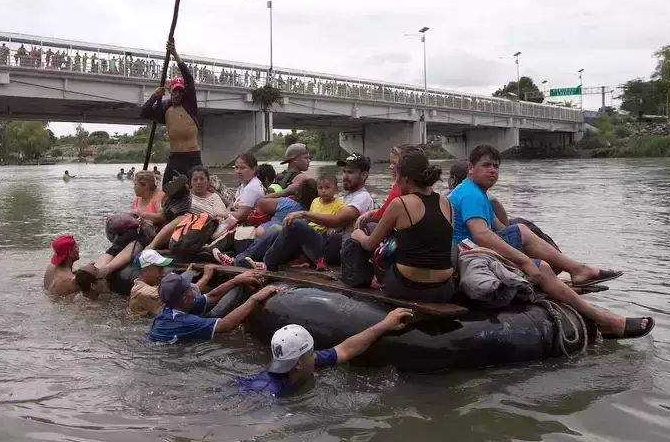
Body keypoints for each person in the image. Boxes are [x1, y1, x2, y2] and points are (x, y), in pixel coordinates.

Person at [451, 145, 654, 339]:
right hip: (471, 257)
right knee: (535, 254)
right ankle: (601, 315)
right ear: (470, 168)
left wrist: (525, 257)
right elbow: (482, 235)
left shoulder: (476, 192)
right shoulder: (470, 195)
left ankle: (575, 276)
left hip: (477, 251)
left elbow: (500, 228)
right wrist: (526, 263)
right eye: (486, 165)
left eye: (496, 166)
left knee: (524, 237)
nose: (493, 170)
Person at [350, 148, 455, 302]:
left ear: (406, 179)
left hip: (407, 287)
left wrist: (358, 235)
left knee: (362, 236)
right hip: (444, 288)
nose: (395, 180)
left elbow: (370, 244)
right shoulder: (446, 203)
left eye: (397, 175)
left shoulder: (400, 204)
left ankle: (373, 282)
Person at [238, 309, 414, 396]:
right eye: (312, 353)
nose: (316, 356)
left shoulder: (299, 363)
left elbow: (345, 350)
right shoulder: (267, 392)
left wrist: (384, 325)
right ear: (298, 363)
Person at [261, 154, 374, 271]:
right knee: (282, 229)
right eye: (344, 172)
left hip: (339, 250)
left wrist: (303, 214)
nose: (345, 176)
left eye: (350, 173)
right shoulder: (341, 198)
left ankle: (267, 264)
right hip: (325, 244)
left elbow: (337, 220)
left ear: (364, 175)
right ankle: (253, 257)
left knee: (295, 224)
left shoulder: (362, 197)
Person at [147, 269, 275, 343]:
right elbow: (225, 326)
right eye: (189, 288)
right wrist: (255, 298)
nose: (193, 287)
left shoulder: (174, 306)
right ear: (185, 298)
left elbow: (211, 297)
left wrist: (236, 280)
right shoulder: (183, 321)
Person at [213, 179, 319, 268]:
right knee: (277, 230)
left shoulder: (289, 204)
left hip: (261, 242)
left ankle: (236, 260)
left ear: (297, 193)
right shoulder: (316, 212)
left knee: (276, 229)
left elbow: (261, 201)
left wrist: (286, 191)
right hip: (275, 247)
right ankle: (241, 259)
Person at [139, 41, 201, 188]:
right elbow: (143, 112)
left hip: (192, 156)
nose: (177, 94)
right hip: (175, 156)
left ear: (184, 93)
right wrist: (154, 96)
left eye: (180, 91)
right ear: (170, 90)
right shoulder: (165, 107)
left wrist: (174, 54)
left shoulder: (189, 104)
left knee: (194, 188)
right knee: (167, 187)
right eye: (175, 91)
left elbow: (189, 79)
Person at [358, 144, 414, 227]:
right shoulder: (426, 187)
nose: (391, 167)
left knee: (366, 223)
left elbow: (380, 216)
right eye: (391, 163)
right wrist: (373, 212)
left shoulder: (399, 188)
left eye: (394, 163)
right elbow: (385, 211)